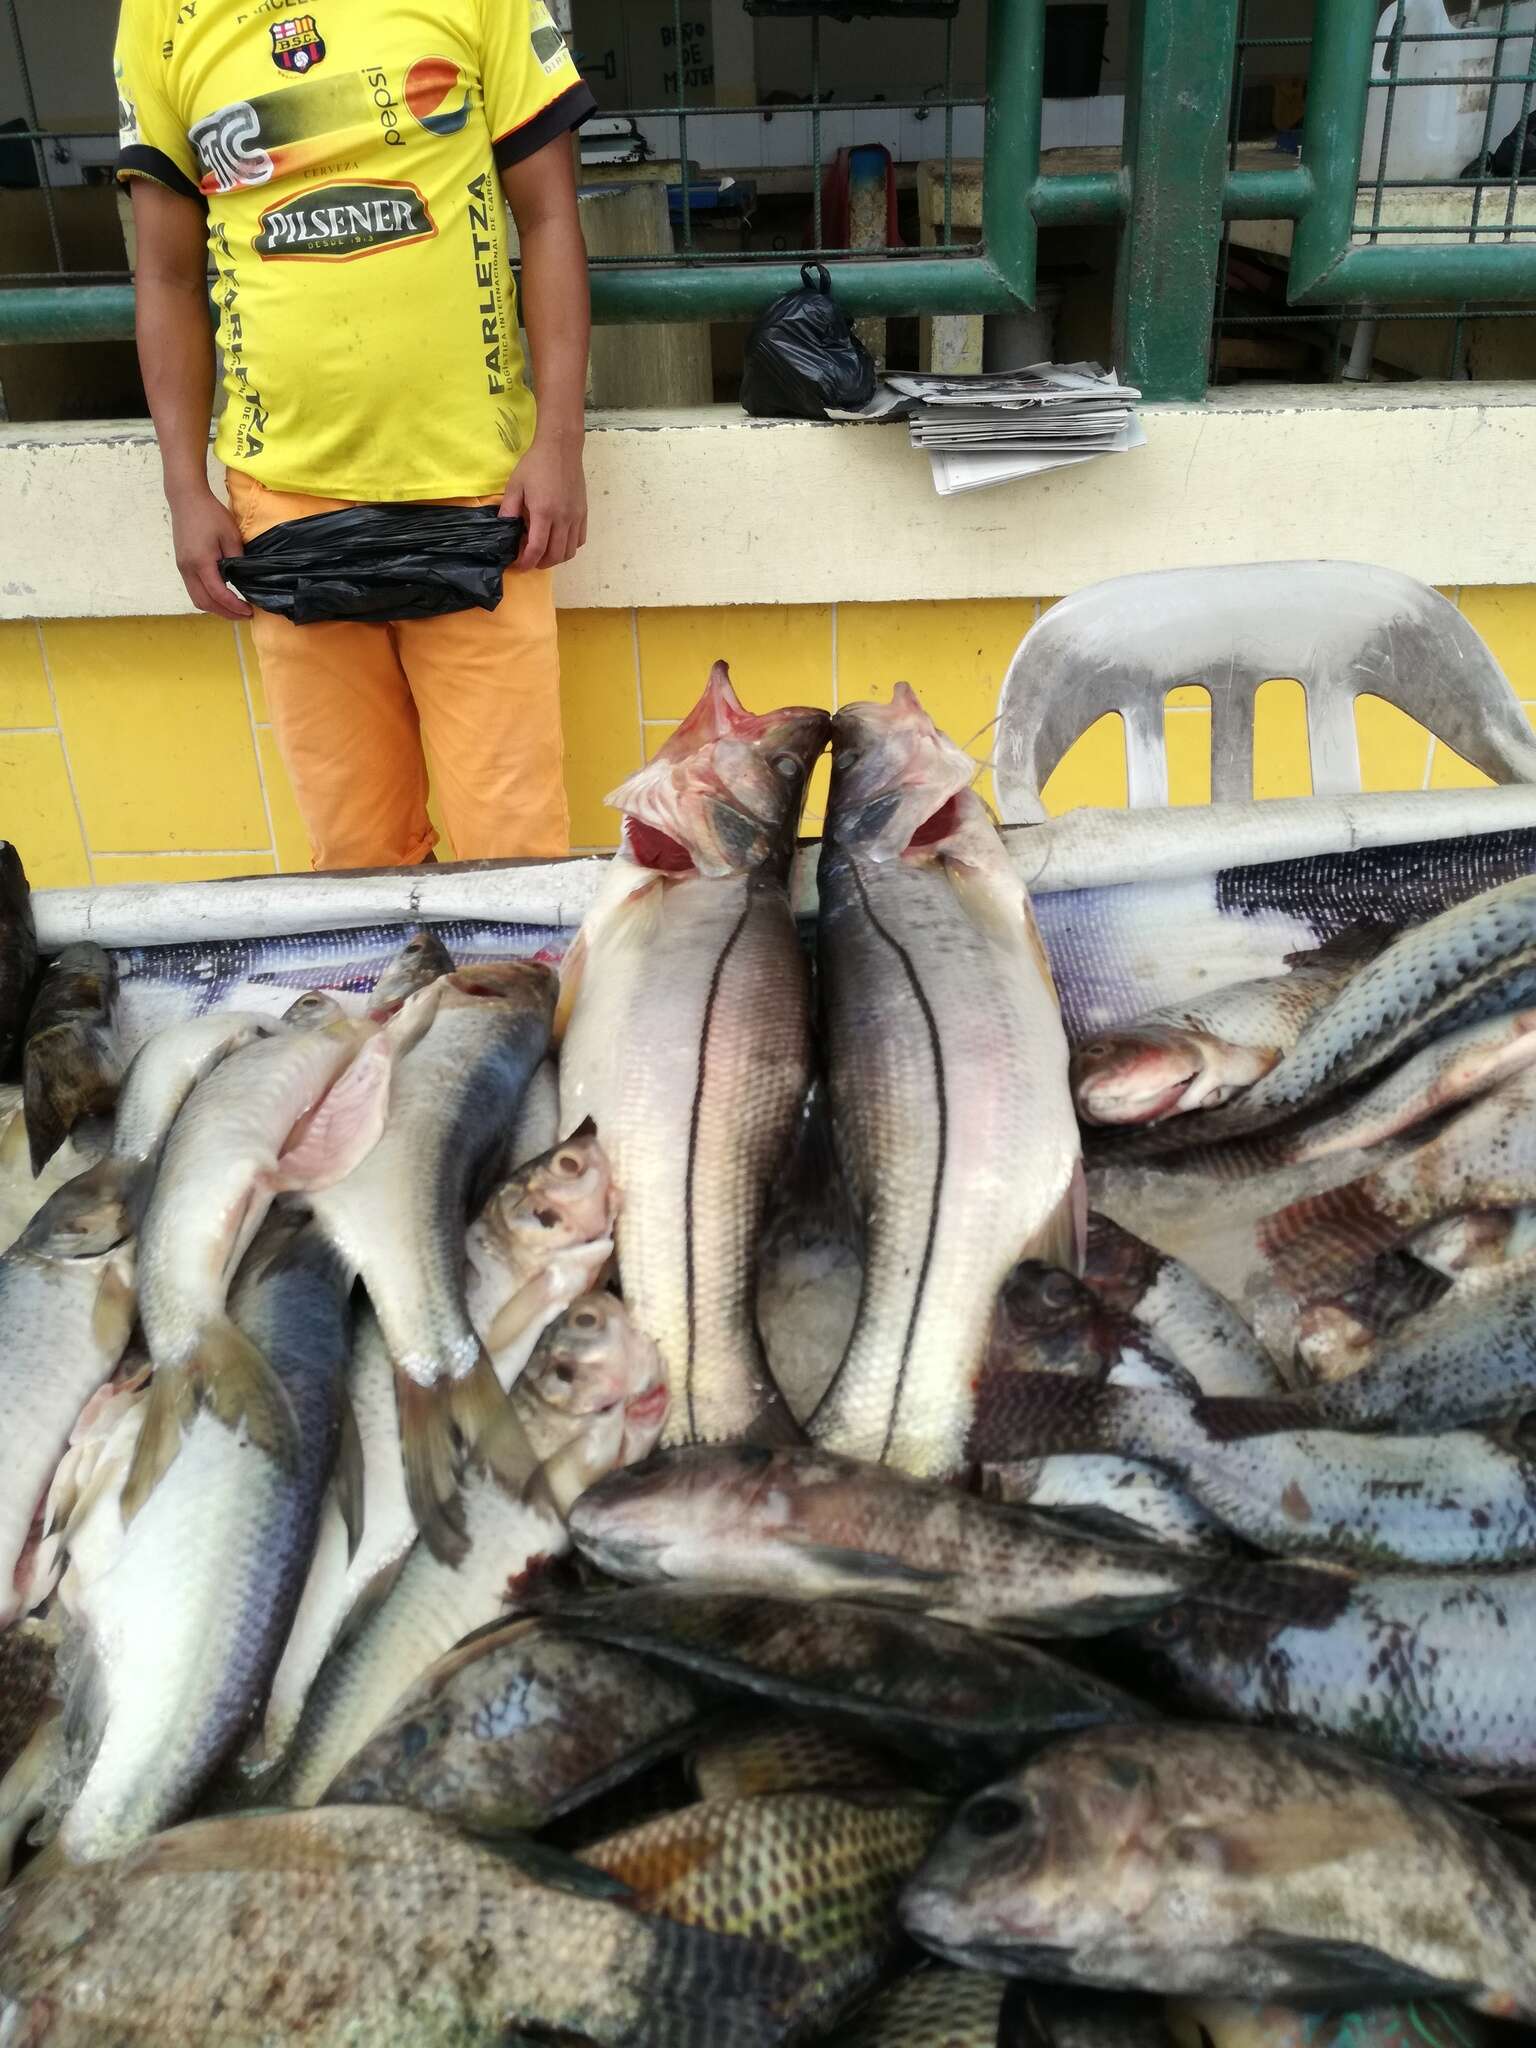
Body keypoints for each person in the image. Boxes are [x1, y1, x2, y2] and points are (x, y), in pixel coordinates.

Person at [113, 0, 596, 868]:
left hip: (478, 492)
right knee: (357, 864)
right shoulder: (159, 16)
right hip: (286, 503)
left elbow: (552, 218)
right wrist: (183, 489)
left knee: (517, 861)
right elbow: (167, 274)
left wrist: (560, 440)